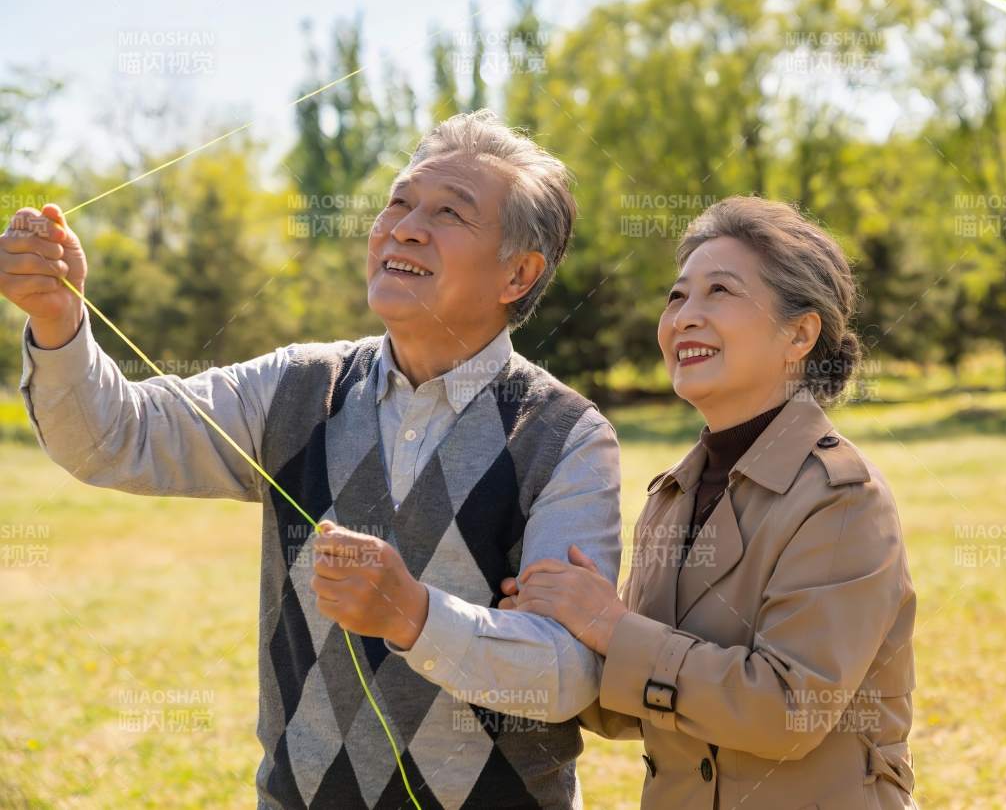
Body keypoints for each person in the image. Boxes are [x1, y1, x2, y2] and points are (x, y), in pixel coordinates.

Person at [1, 110, 622, 809]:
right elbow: (114, 436)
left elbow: (568, 672)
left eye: (450, 212)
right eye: (399, 201)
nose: (405, 227)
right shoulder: (295, 386)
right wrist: (57, 319)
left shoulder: (568, 437)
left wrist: (414, 615)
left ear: (519, 273)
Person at [499, 196, 916, 809]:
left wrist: (610, 626)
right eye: (677, 296)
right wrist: (548, 626)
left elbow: (788, 712)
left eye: (720, 291)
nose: (684, 318)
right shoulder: (674, 496)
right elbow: (641, 702)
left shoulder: (842, 500)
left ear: (799, 334)